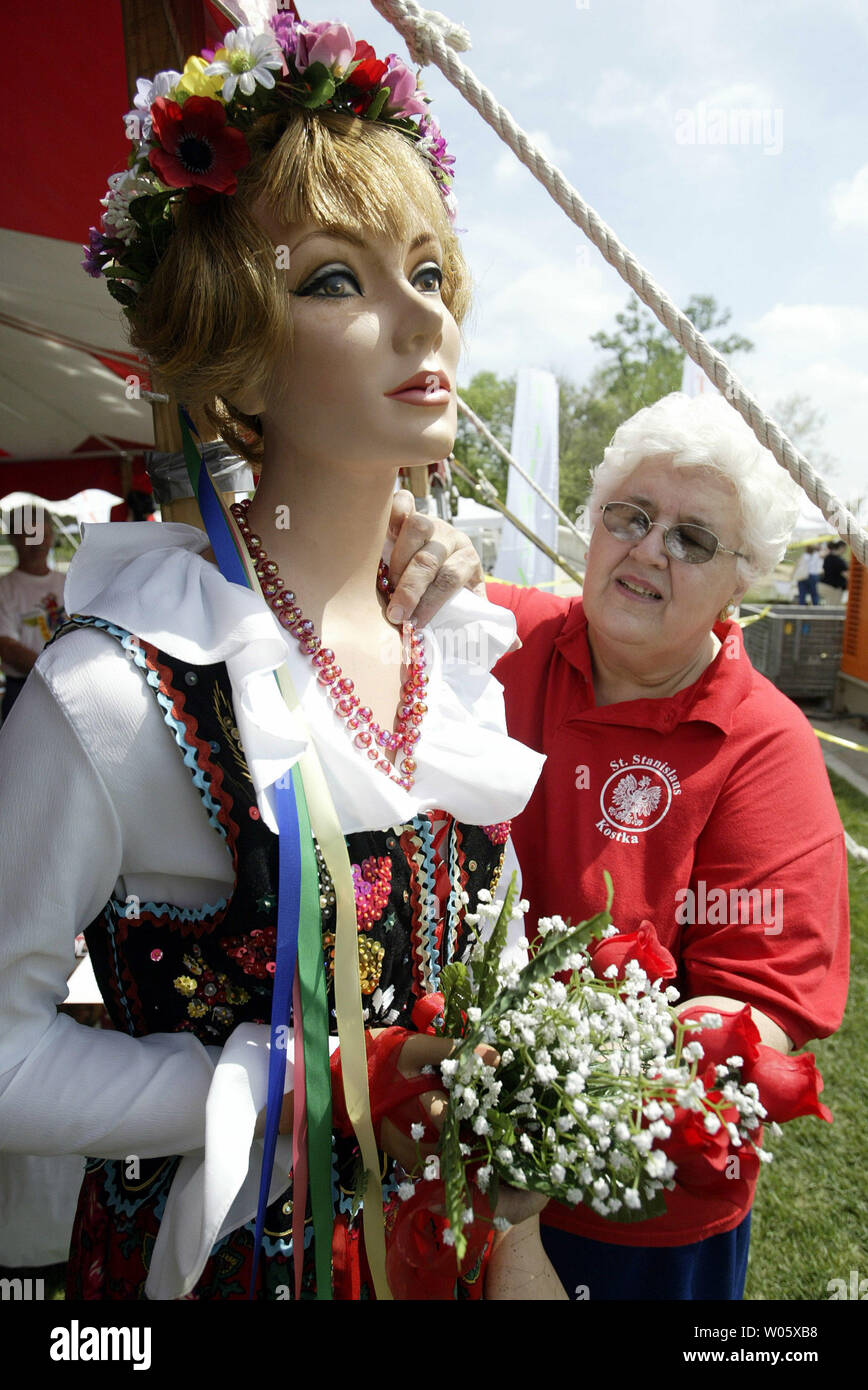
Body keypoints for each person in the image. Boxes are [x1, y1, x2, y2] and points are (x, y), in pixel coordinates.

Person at [0, 14, 563, 1301]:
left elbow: (497, 978)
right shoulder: (117, 692)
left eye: (426, 271)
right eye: (334, 278)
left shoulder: (450, 655)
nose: (417, 318)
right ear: (236, 344)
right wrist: (259, 1091)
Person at [391, 391, 849, 1299]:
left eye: (692, 538)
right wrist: (427, 553)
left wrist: (550, 1098)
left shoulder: (762, 744)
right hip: (442, 1160)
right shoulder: (496, 640)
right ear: (591, 527)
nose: (647, 549)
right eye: (629, 517)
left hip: (631, 1216)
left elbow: (759, 1008)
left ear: (743, 578)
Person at [0, 506, 67, 721]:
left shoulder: (69, 582)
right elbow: (7, 647)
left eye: (43, 534)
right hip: (24, 690)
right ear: (14, 539)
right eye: (29, 535)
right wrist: (54, 673)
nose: (37, 542)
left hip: (71, 684)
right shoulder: (5, 588)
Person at [820, 540, 849, 604]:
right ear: (841, 547)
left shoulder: (828, 557)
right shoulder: (839, 561)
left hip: (825, 584)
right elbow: (846, 575)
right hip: (834, 588)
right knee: (833, 608)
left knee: (829, 606)